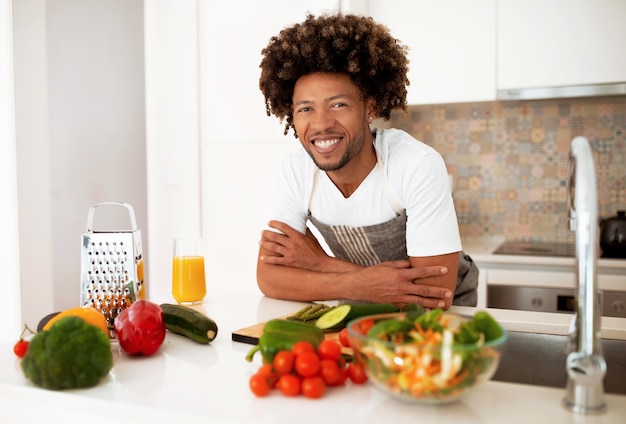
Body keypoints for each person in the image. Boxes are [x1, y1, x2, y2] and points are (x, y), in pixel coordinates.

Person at [256, 12, 478, 310]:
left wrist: (319, 264)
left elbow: (431, 297)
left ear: (370, 107)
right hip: (364, 310)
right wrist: (359, 284)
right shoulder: (295, 171)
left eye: (338, 104)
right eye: (306, 109)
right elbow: (270, 278)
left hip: (444, 319)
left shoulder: (416, 164)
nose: (321, 124)